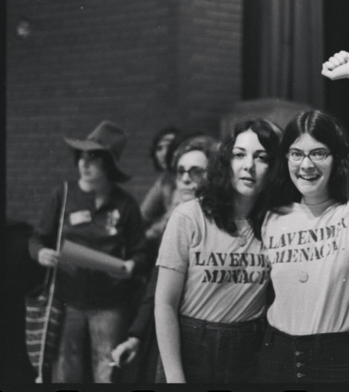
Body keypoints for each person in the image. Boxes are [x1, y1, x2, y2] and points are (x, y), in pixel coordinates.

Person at [256, 50, 349, 383]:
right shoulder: (270, 218)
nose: (306, 165)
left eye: (318, 153)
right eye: (296, 154)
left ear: (336, 159)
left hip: (340, 364)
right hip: (275, 358)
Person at [154, 119, 280, 383]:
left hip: (248, 350)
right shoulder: (189, 216)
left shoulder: (276, 223)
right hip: (192, 344)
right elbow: (164, 304)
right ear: (225, 161)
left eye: (261, 157)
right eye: (239, 155)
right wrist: (175, 378)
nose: (248, 166)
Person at [29, 120, 147, 383]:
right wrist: (40, 254)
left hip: (111, 303)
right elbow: (37, 239)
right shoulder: (64, 194)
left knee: (107, 366)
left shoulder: (125, 204)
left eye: (92, 157)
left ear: (108, 164)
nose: (83, 163)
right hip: (68, 299)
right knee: (65, 365)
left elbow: (141, 251)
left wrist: (132, 266)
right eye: (81, 157)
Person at [110, 133, 217, 382]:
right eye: (181, 172)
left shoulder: (224, 225)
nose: (186, 179)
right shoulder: (175, 226)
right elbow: (156, 291)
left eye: (196, 172)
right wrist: (136, 335)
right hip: (173, 340)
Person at [140, 127, 180, 256]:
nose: (163, 153)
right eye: (159, 148)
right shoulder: (165, 179)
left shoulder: (187, 178)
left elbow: (172, 220)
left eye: (169, 146)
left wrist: (145, 237)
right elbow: (144, 213)